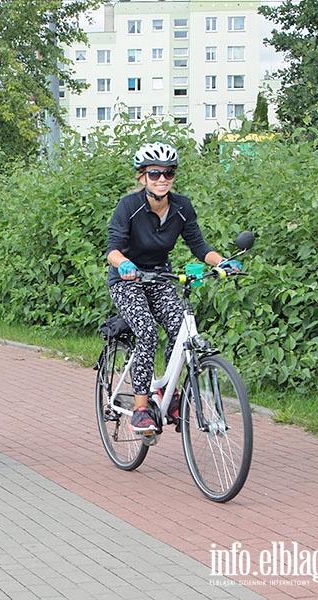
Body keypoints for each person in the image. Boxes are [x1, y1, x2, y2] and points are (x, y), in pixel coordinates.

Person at [106, 142, 242, 433]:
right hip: (127, 280)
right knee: (146, 333)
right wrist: (125, 264)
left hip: (160, 278)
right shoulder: (128, 207)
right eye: (154, 173)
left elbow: (199, 246)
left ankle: (170, 392)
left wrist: (223, 262)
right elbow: (113, 250)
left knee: (182, 331)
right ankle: (141, 408)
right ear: (141, 177)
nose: (162, 179)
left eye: (169, 173)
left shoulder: (182, 207)